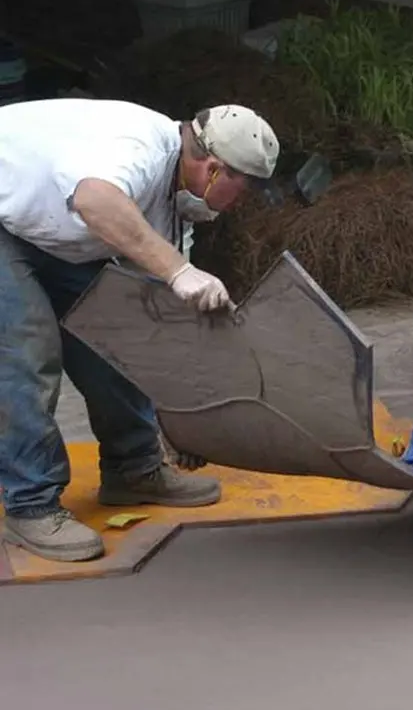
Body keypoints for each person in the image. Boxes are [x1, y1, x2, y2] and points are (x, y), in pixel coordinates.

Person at [0, 98, 279, 562]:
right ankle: (31, 505)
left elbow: (157, 315)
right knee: (27, 349)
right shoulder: (138, 148)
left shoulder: (172, 200)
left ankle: (134, 469)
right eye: (243, 188)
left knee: (116, 337)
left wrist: (183, 415)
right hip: (6, 224)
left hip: (46, 233)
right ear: (213, 168)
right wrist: (179, 271)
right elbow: (94, 199)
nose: (242, 201)